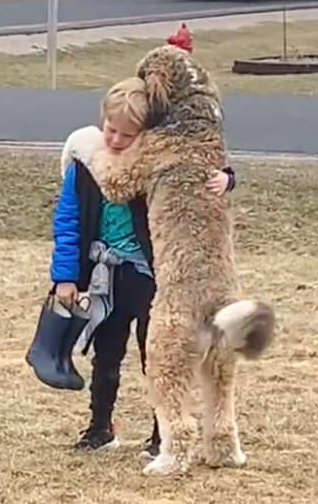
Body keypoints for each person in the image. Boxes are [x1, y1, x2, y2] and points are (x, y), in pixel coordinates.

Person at [29, 77, 237, 458]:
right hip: (102, 276)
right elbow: (68, 220)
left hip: (149, 276)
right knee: (105, 354)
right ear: (101, 120)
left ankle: (162, 434)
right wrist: (65, 277)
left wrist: (228, 178)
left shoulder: (155, 163)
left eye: (128, 134)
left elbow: (201, 172)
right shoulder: (85, 162)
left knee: (154, 356)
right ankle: (100, 427)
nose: (116, 140)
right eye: (111, 130)